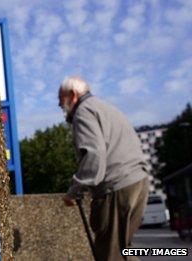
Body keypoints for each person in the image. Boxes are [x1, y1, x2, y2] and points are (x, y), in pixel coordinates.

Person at [59, 76, 149, 261]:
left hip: (116, 187)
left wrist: (74, 190)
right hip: (138, 182)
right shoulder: (107, 108)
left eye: (61, 102)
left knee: (110, 254)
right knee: (125, 249)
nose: (61, 107)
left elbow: (94, 155)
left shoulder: (83, 112)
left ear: (72, 95)